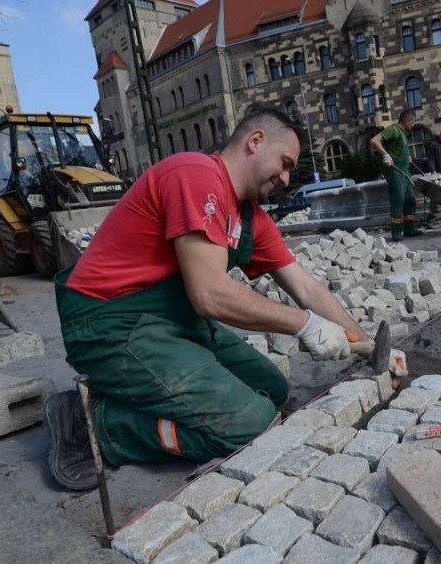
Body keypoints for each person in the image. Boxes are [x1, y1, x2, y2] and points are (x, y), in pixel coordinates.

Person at [44, 106, 370, 491]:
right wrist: (307, 325)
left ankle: (138, 393)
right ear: (255, 141)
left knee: (275, 390)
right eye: (284, 164)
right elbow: (209, 294)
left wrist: (364, 341)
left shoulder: (250, 218)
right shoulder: (194, 175)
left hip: (170, 320)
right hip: (108, 323)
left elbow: (307, 288)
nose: (285, 179)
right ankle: (96, 424)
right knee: (248, 425)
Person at [370, 110, 423, 241]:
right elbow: (374, 141)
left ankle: (409, 229)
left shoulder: (403, 134)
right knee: (398, 200)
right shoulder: (393, 130)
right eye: (413, 122)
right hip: (395, 172)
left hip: (405, 172)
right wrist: (385, 155)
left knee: (410, 200)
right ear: (407, 121)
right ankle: (396, 232)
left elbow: (399, 148)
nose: (414, 125)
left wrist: (408, 156)